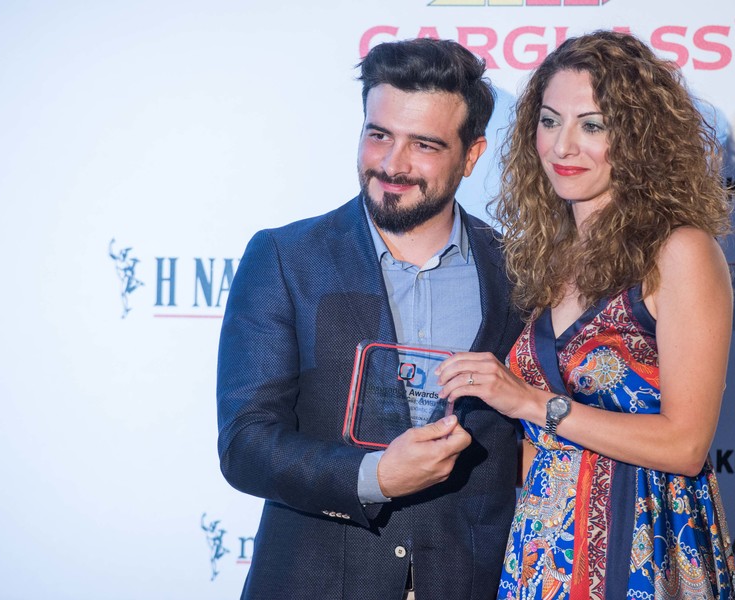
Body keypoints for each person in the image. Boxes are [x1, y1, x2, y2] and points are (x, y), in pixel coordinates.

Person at [216, 38, 524, 600]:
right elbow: (246, 444)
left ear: (471, 155)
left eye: (424, 144)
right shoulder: (286, 258)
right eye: (379, 134)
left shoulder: (519, 272)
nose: (392, 164)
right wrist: (373, 477)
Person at [436, 31, 735, 599]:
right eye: (549, 121)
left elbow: (686, 445)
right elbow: (536, 444)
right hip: (540, 553)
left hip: (644, 541)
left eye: (592, 126)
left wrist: (532, 403)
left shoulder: (681, 252)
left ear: (639, 137)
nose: (562, 146)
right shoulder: (545, 255)